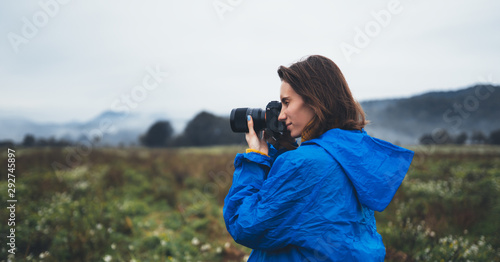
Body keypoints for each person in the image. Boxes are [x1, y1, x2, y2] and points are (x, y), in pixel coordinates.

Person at [223, 55, 414, 261]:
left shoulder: (303, 163)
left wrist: (256, 158)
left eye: (287, 103)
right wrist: (282, 149)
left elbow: (245, 225)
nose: (280, 115)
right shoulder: (350, 154)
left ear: (314, 100)